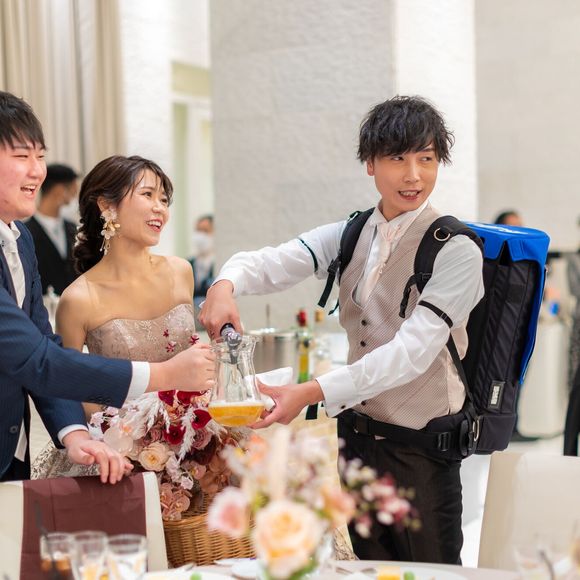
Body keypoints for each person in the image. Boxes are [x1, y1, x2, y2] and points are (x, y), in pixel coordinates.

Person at [200, 96, 485, 565]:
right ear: (370, 163)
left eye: (427, 159)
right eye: (398, 158)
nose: (414, 175)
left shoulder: (456, 251)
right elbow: (271, 262)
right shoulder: (351, 235)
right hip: (356, 445)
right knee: (369, 568)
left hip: (423, 452)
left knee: (430, 573)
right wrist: (223, 284)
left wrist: (310, 392)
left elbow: (409, 355)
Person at [0, 90, 215, 483]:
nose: (37, 171)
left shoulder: (19, 239)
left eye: (40, 156)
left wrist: (74, 434)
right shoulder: (80, 296)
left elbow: (43, 348)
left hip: (15, 451)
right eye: (21, 156)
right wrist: (165, 376)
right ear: (107, 205)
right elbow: (41, 361)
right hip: (125, 445)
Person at [32, 153, 208, 478]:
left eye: (164, 199)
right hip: (121, 454)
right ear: (106, 205)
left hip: (194, 442)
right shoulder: (79, 299)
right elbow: (69, 385)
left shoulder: (181, 272)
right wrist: (130, 442)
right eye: (147, 194)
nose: (160, 208)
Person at [25, 163, 80, 295]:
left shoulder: (73, 229)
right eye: (73, 192)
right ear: (59, 191)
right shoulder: (25, 232)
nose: (74, 198)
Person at [189, 214, 215, 306]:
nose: (200, 236)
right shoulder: (188, 264)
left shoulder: (218, 265)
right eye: (198, 231)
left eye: (205, 231)